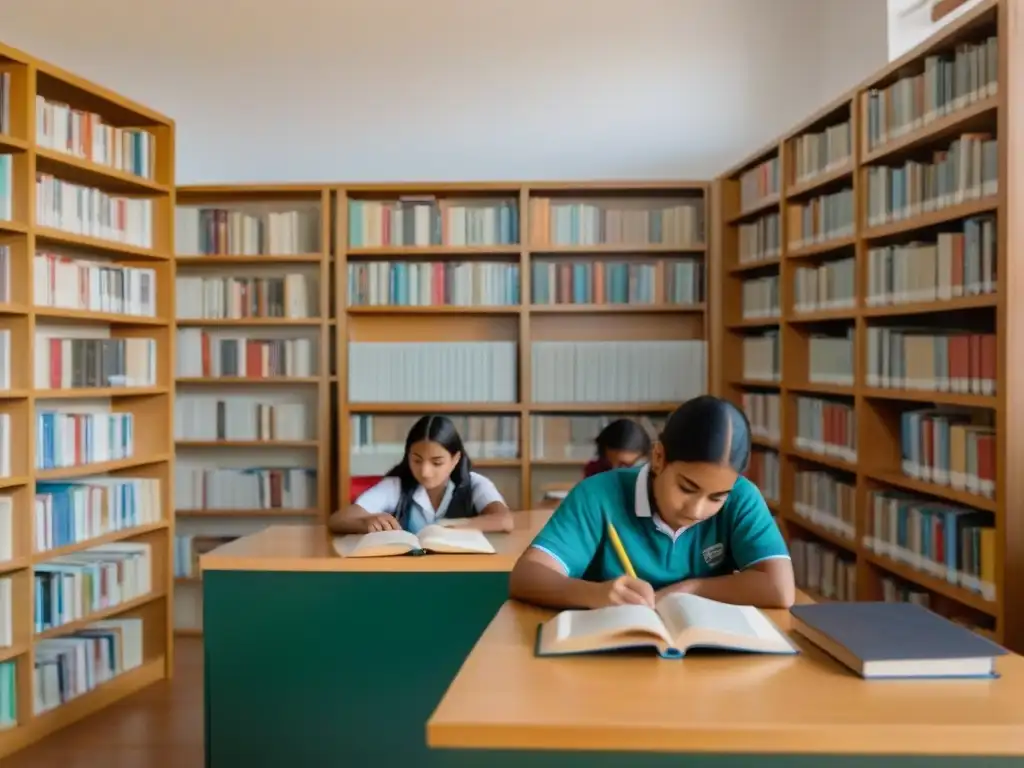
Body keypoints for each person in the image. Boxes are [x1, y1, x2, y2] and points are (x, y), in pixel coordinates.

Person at [509, 395, 794, 609]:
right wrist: (593, 593)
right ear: (658, 457)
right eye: (686, 487)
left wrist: (692, 589)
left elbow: (779, 589)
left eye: (716, 498)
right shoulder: (598, 494)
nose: (696, 510)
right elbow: (526, 576)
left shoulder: (742, 496)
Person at [329, 415, 514, 535]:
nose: (425, 472)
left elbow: (504, 520)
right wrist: (366, 522)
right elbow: (338, 520)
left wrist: (450, 529)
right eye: (417, 460)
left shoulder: (475, 484)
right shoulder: (396, 486)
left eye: (437, 462)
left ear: (455, 459)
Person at [584, 418, 652, 478]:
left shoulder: (651, 475)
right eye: (608, 465)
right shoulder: (594, 470)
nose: (614, 472)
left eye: (624, 466)